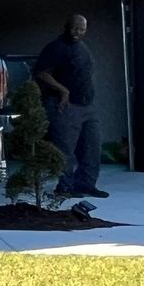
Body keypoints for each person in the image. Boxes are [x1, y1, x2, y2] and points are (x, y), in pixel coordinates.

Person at [32, 14, 107, 199]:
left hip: (87, 106)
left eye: (81, 29)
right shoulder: (56, 47)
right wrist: (62, 90)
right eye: (74, 28)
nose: (77, 32)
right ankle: (64, 187)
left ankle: (86, 184)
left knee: (92, 146)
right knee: (65, 149)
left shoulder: (82, 47)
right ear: (66, 27)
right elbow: (41, 73)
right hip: (65, 106)